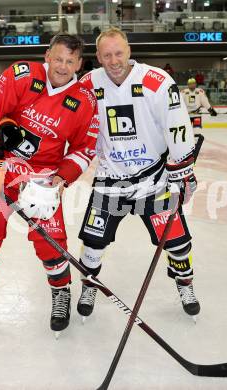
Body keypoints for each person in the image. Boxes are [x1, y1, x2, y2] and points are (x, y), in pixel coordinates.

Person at [0, 34, 98, 336]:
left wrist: (58, 181)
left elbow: (84, 148)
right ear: (47, 55)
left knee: (52, 242)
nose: (63, 67)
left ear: (79, 64)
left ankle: (61, 293)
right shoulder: (22, 74)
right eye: (58, 58)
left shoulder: (85, 101)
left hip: (43, 177)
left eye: (70, 61)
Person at [77, 27, 200, 322]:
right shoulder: (87, 84)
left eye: (118, 52)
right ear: (98, 57)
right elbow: (74, 127)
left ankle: (185, 284)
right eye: (107, 55)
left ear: (129, 50)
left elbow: (178, 126)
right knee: (93, 243)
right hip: (109, 180)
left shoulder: (155, 80)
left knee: (177, 242)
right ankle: (89, 285)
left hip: (153, 181)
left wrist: (183, 171)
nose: (114, 60)